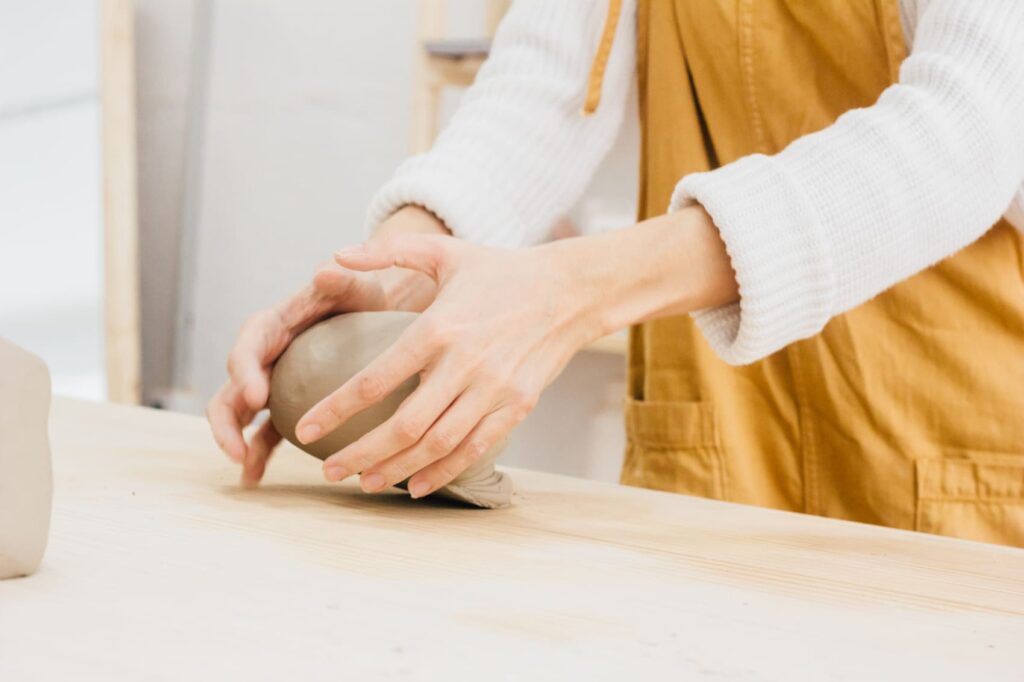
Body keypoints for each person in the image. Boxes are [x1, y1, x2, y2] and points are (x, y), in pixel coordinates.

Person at [207, 0, 1024, 547]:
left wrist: (569, 290)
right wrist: (400, 273)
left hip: (956, 445)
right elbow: (551, 87)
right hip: (718, 434)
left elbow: (974, 128)